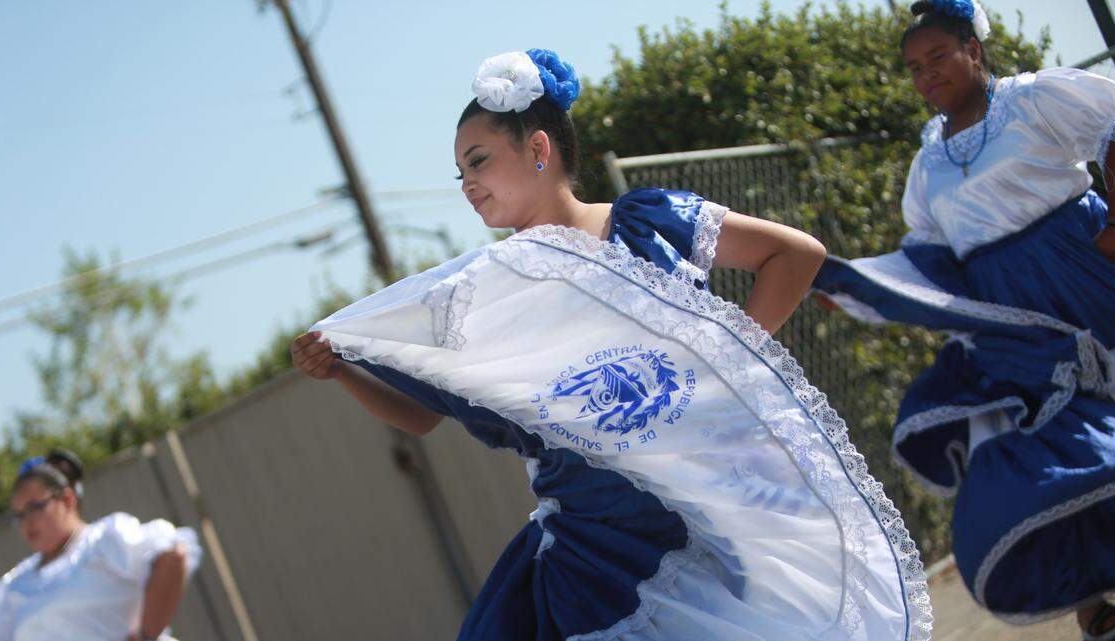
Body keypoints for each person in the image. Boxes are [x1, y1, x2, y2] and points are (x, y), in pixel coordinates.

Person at [293, 48, 931, 640]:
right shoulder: (491, 293)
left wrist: (722, 365)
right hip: (602, 545)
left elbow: (796, 254)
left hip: (722, 504)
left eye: (479, 160)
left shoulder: (648, 223)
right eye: (459, 171)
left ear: (538, 148)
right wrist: (342, 371)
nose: (466, 183)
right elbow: (425, 414)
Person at [811, 1, 1115, 638]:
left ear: (973, 51)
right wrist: (860, 289)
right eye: (913, 68)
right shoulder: (927, 162)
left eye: (937, 57)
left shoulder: (1033, 100)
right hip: (1012, 324)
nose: (926, 74)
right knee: (1045, 450)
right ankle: (1094, 603)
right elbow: (926, 259)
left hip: (1088, 280)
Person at [0, 448, 202, 641]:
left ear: (67, 499)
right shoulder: (15, 584)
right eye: (19, 515)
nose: (27, 521)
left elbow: (173, 555)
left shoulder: (104, 539)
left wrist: (144, 636)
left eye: (35, 507)